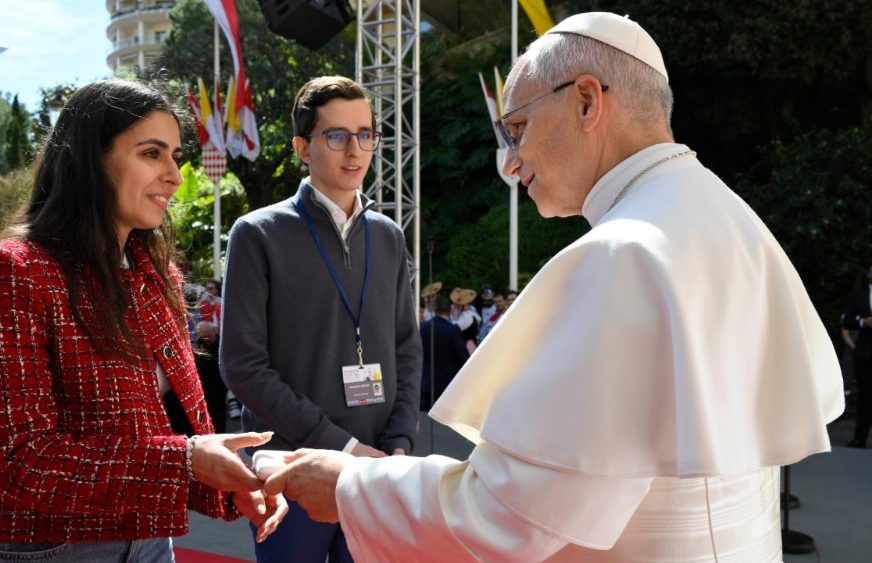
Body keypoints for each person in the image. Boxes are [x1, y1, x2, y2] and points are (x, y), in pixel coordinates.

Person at [263, 13, 844, 561]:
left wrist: (353, 485)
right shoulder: (726, 213)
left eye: (517, 129)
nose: (510, 163)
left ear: (587, 101)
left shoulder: (624, 254)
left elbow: (514, 519)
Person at [0, 79, 285, 563]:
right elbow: (16, 461)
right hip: (42, 549)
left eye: (174, 154)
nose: (173, 173)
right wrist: (188, 462)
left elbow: (164, 425)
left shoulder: (154, 271)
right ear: (90, 159)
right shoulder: (11, 269)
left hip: (148, 537)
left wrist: (230, 479)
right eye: (152, 153)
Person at [221, 75, 421, 563]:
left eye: (366, 134)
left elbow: (406, 347)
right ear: (302, 148)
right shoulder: (257, 233)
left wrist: (397, 443)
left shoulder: (389, 235)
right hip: (295, 471)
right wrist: (344, 446)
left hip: (377, 470)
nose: (354, 150)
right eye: (336, 135)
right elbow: (243, 366)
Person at [419, 294, 468, 411]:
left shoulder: (423, 328)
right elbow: (463, 358)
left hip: (426, 384)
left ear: (434, 309)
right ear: (450, 309)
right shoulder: (452, 330)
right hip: (448, 387)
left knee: (426, 425)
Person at [843, 262, 872, 448]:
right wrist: (863, 322)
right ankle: (859, 438)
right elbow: (847, 322)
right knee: (865, 396)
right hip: (866, 353)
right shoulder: (859, 295)